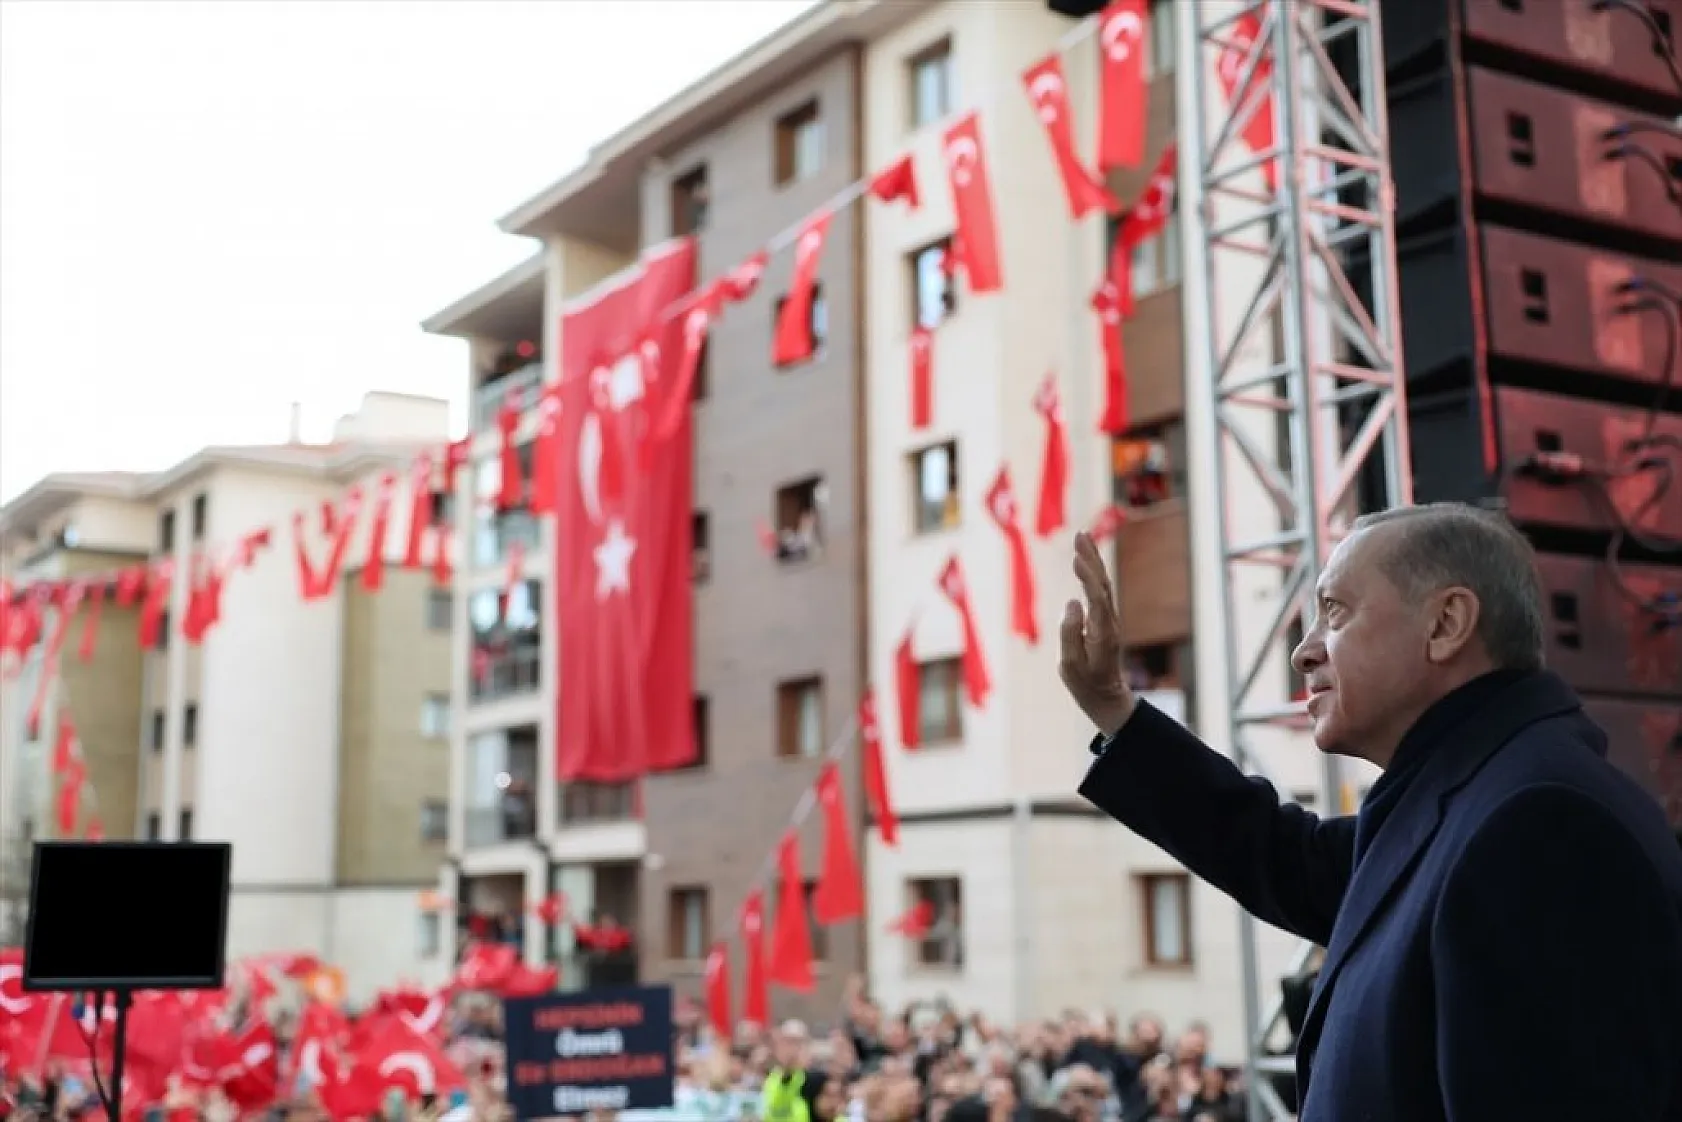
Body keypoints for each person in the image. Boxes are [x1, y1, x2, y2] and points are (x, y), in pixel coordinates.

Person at [1056, 507, 1682, 1122]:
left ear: (1446, 623)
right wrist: (1117, 711)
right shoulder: (1477, 796)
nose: (1304, 652)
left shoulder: (1538, 827)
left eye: (1334, 613)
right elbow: (1283, 856)